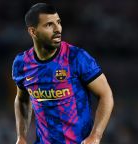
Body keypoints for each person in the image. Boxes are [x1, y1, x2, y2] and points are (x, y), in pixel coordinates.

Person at [12, 3, 114, 144]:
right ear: (33, 32)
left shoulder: (76, 57)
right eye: (49, 25)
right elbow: (22, 100)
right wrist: (21, 137)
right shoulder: (22, 63)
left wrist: (96, 136)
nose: (57, 29)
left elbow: (106, 94)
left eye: (58, 22)